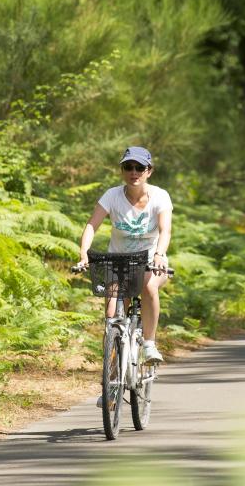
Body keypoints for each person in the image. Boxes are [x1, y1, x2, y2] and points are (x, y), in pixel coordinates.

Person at [77, 146, 173, 364]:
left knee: (149, 287)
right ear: (122, 170)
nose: (134, 172)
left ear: (149, 171)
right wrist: (84, 254)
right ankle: (111, 380)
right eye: (128, 167)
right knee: (112, 315)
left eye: (140, 167)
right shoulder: (112, 196)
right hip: (118, 262)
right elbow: (92, 225)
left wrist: (159, 254)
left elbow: (165, 230)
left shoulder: (160, 196)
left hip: (150, 260)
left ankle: (149, 344)